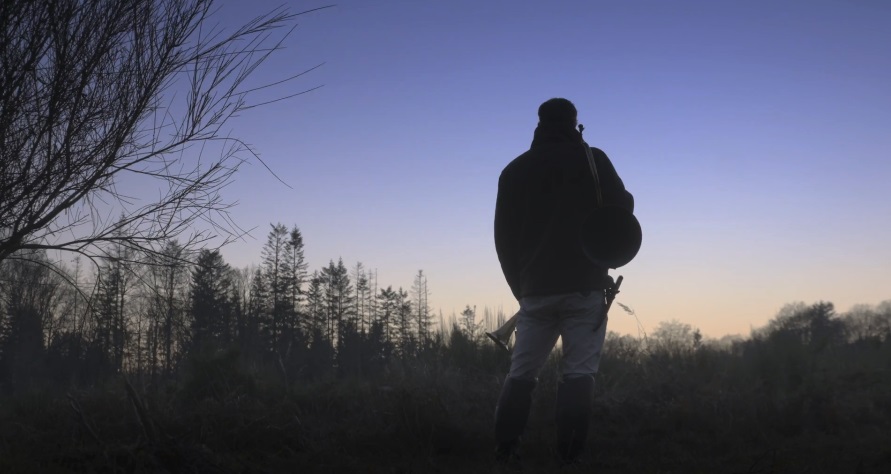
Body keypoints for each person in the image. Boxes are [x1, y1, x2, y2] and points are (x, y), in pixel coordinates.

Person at [493, 98, 634, 466]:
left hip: (534, 291)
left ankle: (504, 452)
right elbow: (622, 210)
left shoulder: (513, 171)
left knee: (521, 374)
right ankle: (568, 457)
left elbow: (503, 239)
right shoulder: (593, 160)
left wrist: (520, 288)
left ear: (539, 123)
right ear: (574, 123)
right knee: (579, 374)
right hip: (586, 286)